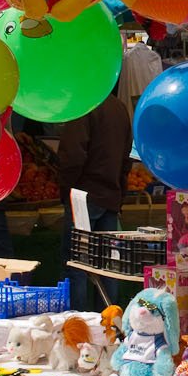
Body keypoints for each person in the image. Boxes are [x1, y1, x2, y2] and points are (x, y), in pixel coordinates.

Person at [57, 94, 133, 312]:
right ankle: (109, 318)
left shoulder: (83, 105)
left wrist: (66, 188)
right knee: (108, 265)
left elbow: (72, 156)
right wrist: (119, 194)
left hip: (83, 196)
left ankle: (75, 319)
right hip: (109, 195)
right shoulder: (118, 107)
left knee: (77, 263)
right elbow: (126, 158)